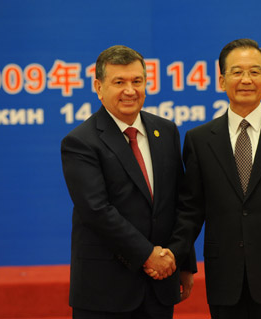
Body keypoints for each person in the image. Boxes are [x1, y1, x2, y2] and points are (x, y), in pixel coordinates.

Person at [165, 38, 261, 318]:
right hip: (225, 276)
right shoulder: (200, 140)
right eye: (237, 72)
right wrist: (177, 260)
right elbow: (190, 210)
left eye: (254, 71)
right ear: (222, 80)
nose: (246, 80)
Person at [61, 45, 196, 319]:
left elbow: (180, 202)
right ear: (99, 87)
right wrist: (149, 256)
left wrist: (182, 262)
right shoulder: (80, 142)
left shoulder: (166, 131)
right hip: (106, 291)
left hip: (160, 286)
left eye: (137, 81)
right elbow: (97, 211)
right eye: (119, 82)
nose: (130, 90)